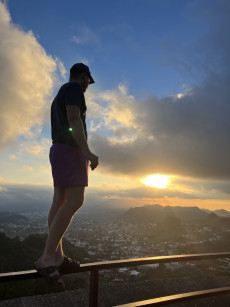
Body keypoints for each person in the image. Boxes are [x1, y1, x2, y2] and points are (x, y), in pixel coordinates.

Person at [34, 63, 99, 287]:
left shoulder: (60, 92)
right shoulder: (73, 90)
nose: (87, 86)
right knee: (75, 201)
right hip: (70, 150)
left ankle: (57, 257)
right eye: (88, 81)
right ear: (83, 77)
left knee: (59, 201)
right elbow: (74, 120)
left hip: (58, 149)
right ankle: (47, 258)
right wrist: (87, 151)